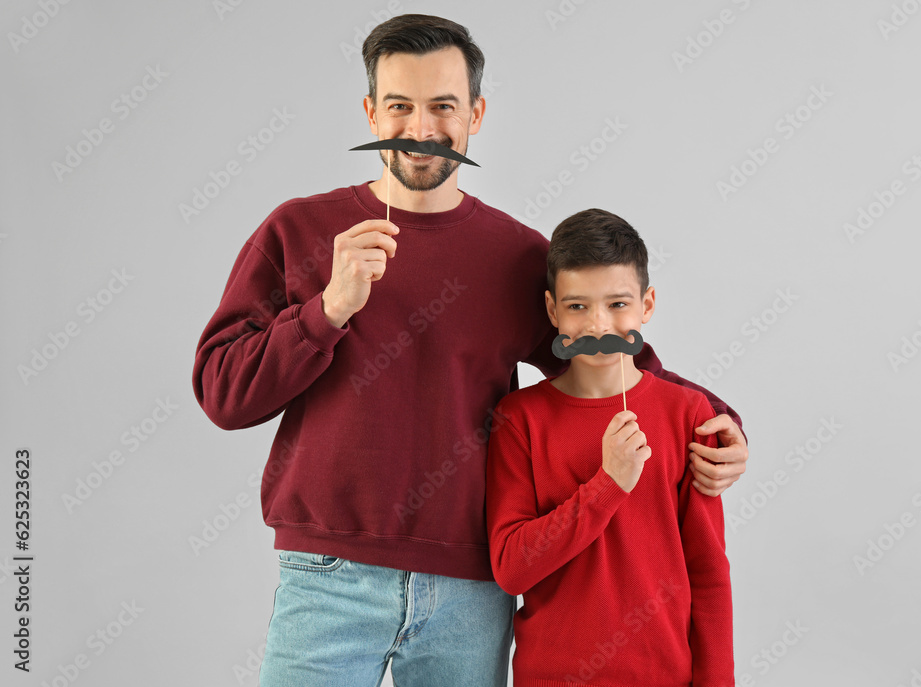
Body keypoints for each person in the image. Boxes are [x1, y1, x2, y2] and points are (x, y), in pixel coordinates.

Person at [191, 13, 746, 687]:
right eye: (399, 105)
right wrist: (328, 308)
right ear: (370, 111)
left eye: (443, 106)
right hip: (327, 579)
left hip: (471, 591)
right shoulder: (298, 229)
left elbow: (610, 358)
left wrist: (717, 422)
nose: (422, 129)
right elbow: (222, 393)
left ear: (476, 114)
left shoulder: (515, 257)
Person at [486, 208, 733, 685]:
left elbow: (708, 572)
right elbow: (511, 568)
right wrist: (608, 484)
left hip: (664, 675)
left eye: (618, 304)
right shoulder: (519, 419)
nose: (598, 324)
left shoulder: (690, 415)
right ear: (553, 311)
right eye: (578, 306)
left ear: (648, 304)